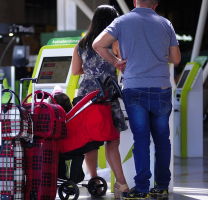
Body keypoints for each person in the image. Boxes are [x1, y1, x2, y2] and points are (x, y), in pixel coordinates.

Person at [93, 0, 181, 199]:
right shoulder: (166, 24)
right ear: (156, 5)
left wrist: (116, 62)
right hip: (161, 87)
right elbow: (175, 59)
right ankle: (162, 186)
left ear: (134, 2)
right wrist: (157, 53)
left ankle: (141, 188)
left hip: (134, 87)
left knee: (141, 140)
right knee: (162, 139)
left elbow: (98, 44)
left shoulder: (122, 22)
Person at [71, 5, 129, 199]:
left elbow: (75, 71)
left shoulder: (81, 43)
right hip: (107, 93)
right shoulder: (113, 41)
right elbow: (124, 62)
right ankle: (121, 183)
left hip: (86, 95)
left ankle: (94, 179)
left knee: (90, 140)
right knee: (112, 140)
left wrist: (91, 72)